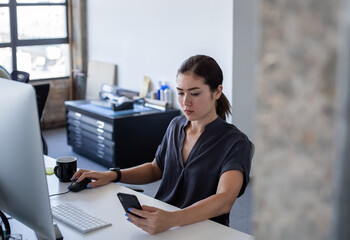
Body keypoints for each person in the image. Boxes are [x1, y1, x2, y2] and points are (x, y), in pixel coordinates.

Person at [72, 55, 252, 235]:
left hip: (201, 230)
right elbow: (155, 168)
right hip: (161, 225)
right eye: (181, 92)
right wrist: (113, 175)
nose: (185, 102)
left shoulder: (235, 142)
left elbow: (224, 199)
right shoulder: (175, 125)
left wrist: (173, 219)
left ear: (217, 92)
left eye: (195, 93)